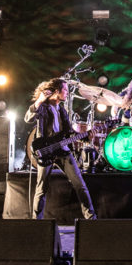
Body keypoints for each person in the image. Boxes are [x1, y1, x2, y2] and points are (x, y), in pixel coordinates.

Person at [24, 78, 97, 220]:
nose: (68, 94)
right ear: (56, 91)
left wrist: (86, 136)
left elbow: (69, 133)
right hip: (45, 151)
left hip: (63, 151)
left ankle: (91, 219)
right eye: (65, 90)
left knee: (80, 185)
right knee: (41, 189)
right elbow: (28, 119)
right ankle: (36, 222)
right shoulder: (43, 107)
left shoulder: (62, 110)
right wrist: (39, 101)